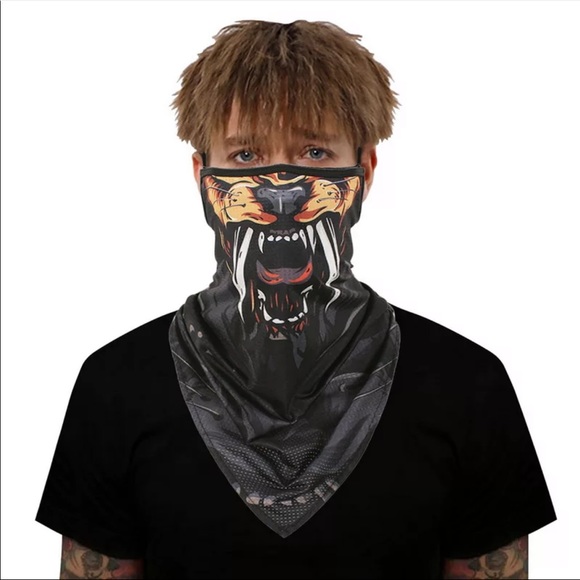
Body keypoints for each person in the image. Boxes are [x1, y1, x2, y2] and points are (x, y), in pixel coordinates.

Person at [36, 20, 556, 580]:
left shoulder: (467, 385)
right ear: (202, 177)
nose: (280, 190)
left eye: (314, 150)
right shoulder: (115, 386)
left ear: (365, 170)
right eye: (244, 154)